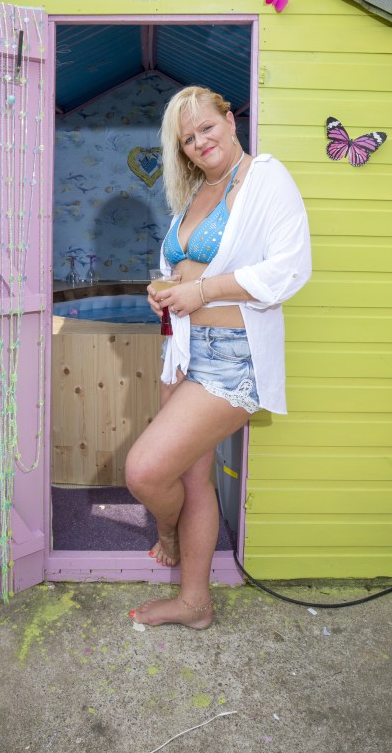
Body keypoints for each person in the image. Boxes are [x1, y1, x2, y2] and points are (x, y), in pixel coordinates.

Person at [125, 86, 311, 629]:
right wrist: (162, 289)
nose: (200, 140)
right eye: (188, 138)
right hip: (183, 352)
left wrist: (200, 293)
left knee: (144, 471)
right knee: (191, 479)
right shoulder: (195, 193)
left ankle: (166, 532)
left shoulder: (264, 178)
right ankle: (195, 604)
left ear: (230, 121)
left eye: (207, 127)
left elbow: (289, 270)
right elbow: (182, 271)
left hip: (233, 360)